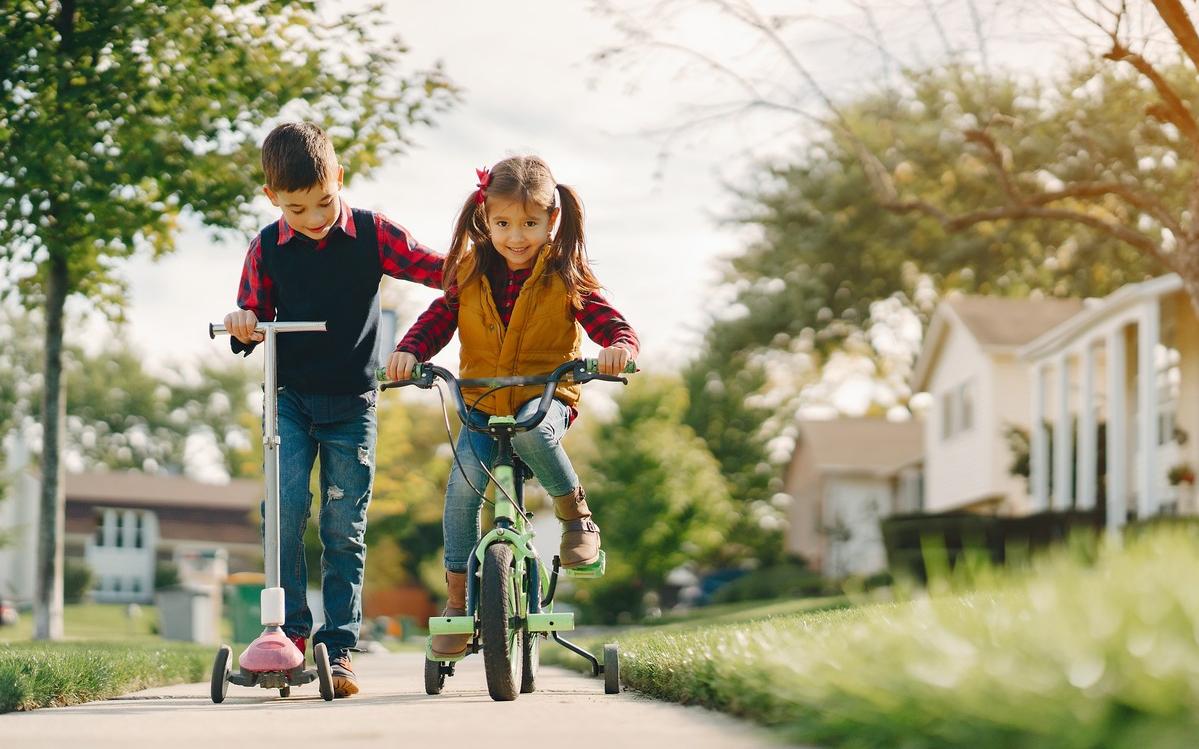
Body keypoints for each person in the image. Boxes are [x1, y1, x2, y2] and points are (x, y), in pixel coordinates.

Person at [223, 121, 442, 696]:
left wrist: (494, 265)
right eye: (298, 209)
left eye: (324, 202)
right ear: (273, 198)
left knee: (344, 527)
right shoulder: (266, 248)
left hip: (352, 403)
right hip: (290, 401)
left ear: (339, 178)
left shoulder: (372, 233)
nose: (316, 219)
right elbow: (250, 320)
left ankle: (338, 648)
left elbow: (439, 270)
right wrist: (243, 323)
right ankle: (288, 637)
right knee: (286, 515)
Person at [390, 155, 639, 659]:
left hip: (545, 399)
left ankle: (577, 519)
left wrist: (619, 349)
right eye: (503, 224)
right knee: (461, 490)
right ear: (485, 219)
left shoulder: (566, 273)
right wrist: (410, 352)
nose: (516, 236)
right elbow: (439, 319)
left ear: (552, 220)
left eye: (529, 223)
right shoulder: (468, 272)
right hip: (481, 403)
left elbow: (610, 323)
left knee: (532, 431)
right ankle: (458, 602)